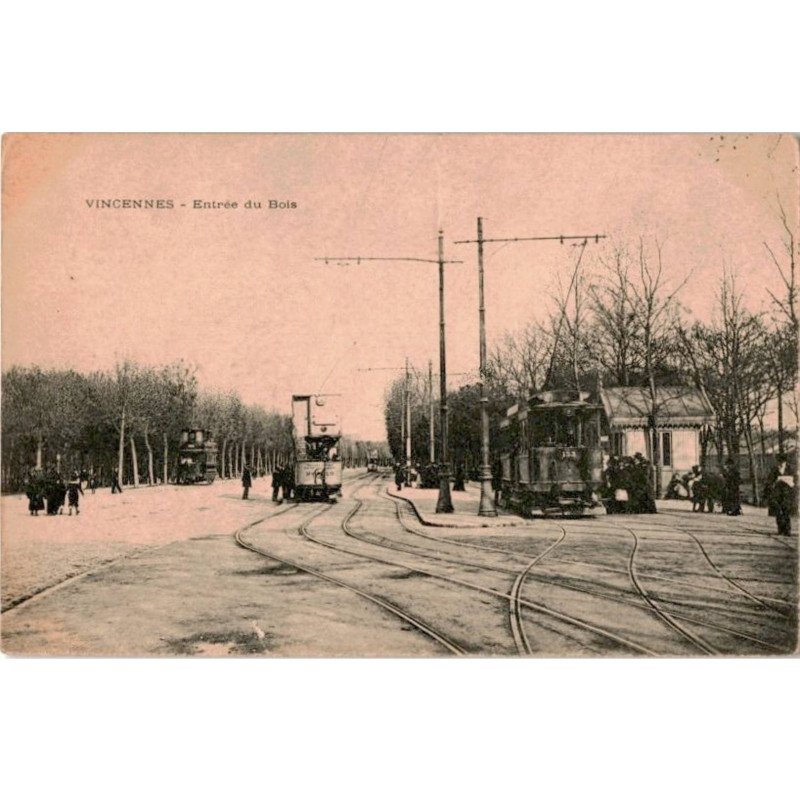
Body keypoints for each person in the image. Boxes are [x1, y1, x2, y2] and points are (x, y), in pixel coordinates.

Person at [766, 454, 795, 536]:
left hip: (787, 493)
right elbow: (769, 481)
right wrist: (774, 482)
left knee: (786, 511)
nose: (781, 464)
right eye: (779, 462)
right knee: (778, 511)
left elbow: (795, 479)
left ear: (785, 462)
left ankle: (787, 530)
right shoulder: (774, 469)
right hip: (777, 493)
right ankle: (780, 529)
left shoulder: (790, 469)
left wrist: (790, 482)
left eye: (782, 462)